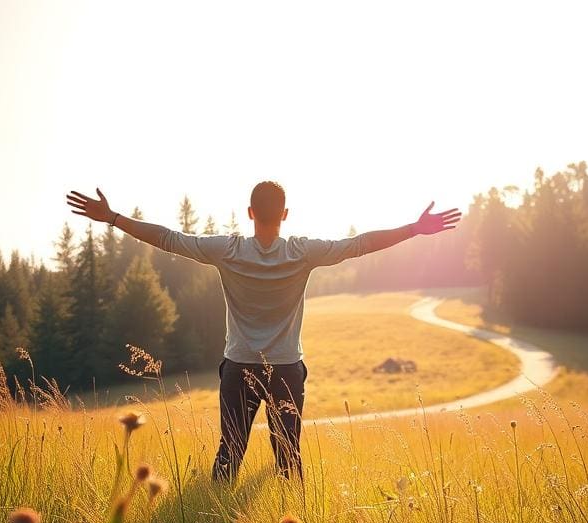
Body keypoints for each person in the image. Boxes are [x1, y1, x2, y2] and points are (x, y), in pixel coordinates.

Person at [66, 182, 461, 482]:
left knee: (230, 453)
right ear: (285, 214)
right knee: (289, 457)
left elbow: (169, 239)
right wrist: (414, 229)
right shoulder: (303, 252)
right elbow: (360, 244)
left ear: (250, 212)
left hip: (239, 367)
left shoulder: (229, 250)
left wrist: (113, 218)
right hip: (287, 369)